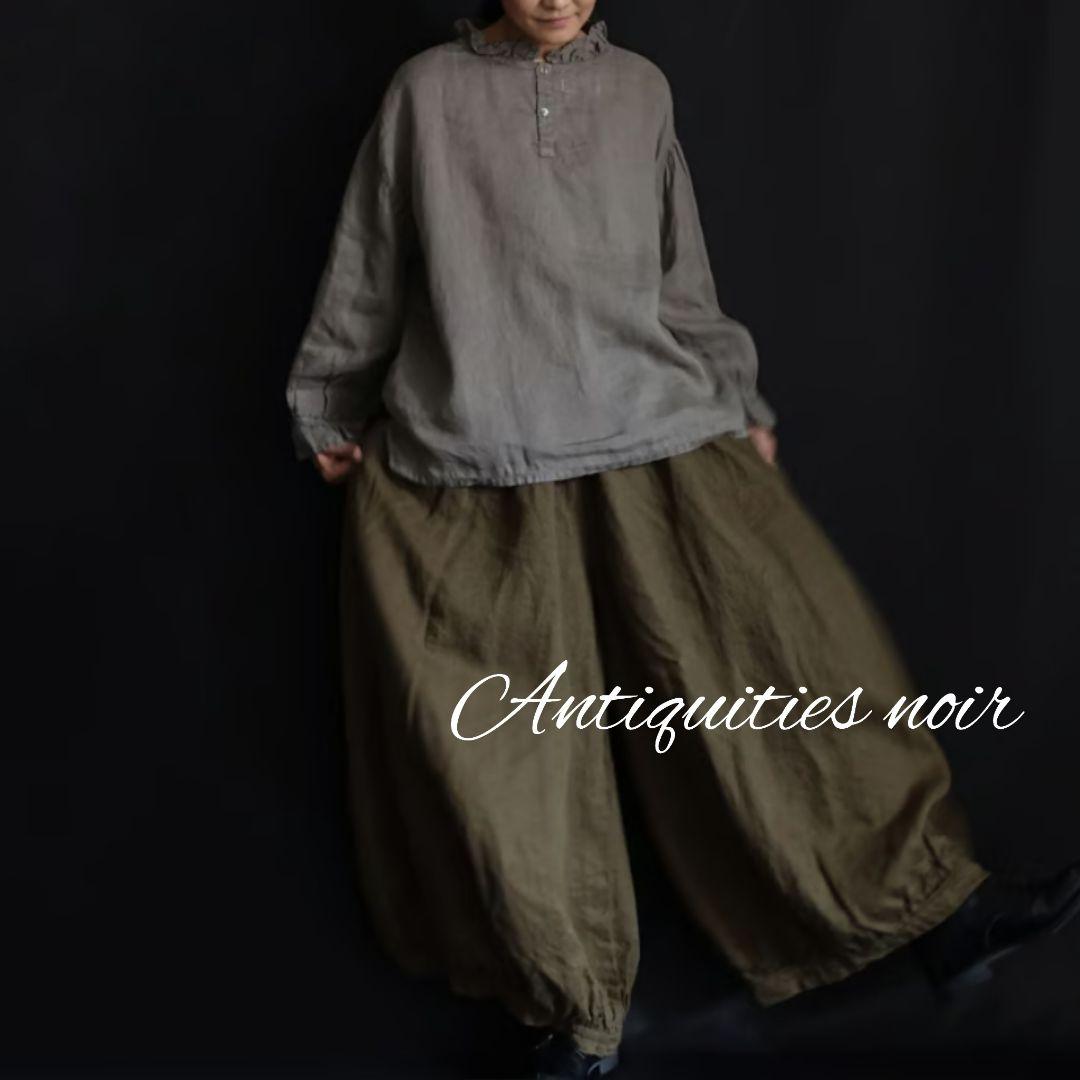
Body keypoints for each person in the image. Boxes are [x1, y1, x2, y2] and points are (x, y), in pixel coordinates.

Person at [283, 3, 1080, 1077]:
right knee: (507, 753)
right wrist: (326, 402)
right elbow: (371, 260)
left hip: (654, 425)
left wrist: (736, 395)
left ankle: (939, 911)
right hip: (478, 450)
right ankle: (575, 1017)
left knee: (785, 665)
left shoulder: (640, 89)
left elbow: (678, 271)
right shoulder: (425, 92)